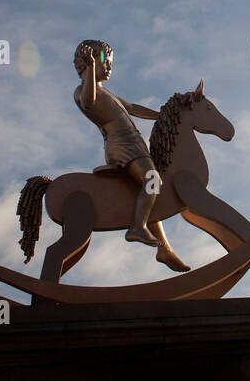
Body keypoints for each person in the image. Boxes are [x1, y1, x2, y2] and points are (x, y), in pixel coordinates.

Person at [72, 39, 187, 271]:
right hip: (122, 146)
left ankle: (164, 248)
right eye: (105, 61)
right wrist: (91, 71)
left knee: (149, 190)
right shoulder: (85, 91)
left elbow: (134, 107)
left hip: (135, 145)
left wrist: (163, 115)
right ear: (89, 61)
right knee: (152, 180)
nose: (109, 67)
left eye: (110, 63)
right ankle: (137, 227)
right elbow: (88, 102)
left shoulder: (109, 94)